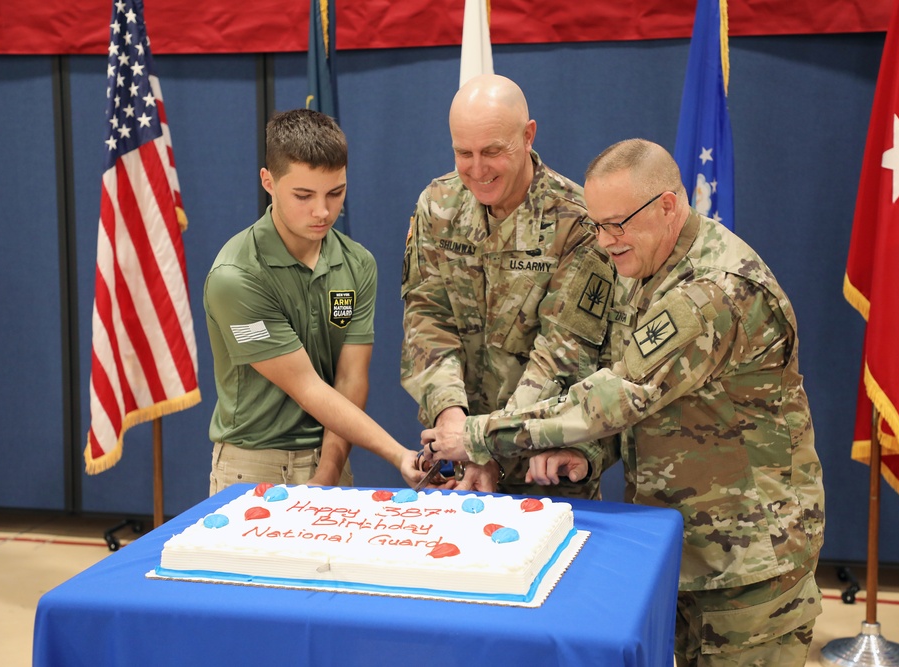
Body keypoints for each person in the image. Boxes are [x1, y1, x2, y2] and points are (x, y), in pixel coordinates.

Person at [422, 138, 825, 666]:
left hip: (750, 566)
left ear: (667, 205)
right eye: (597, 225)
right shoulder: (645, 269)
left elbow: (615, 397)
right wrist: (590, 456)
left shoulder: (713, 291)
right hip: (683, 548)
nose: (606, 242)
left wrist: (478, 435)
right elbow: (657, 404)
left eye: (619, 224)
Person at [400, 74, 614, 498]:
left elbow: (563, 354)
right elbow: (426, 317)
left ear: (528, 135)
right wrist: (449, 414)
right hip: (456, 463)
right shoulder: (437, 205)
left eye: (493, 151)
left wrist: (486, 445)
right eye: (464, 153)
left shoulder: (576, 221)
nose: (477, 170)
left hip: (547, 466)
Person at [204, 108, 422, 495]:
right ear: (268, 182)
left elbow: (350, 378)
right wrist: (397, 454)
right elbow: (307, 386)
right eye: (303, 195)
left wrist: (330, 467)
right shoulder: (236, 276)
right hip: (252, 465)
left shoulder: (358, 263)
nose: (323, 211)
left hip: (332, 459)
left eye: (335, 193)